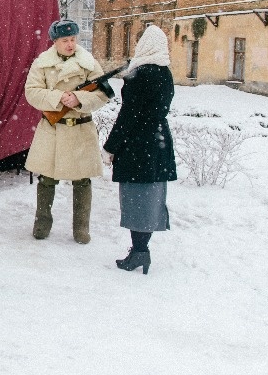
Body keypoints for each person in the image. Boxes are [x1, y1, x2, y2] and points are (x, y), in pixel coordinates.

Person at [24, 18, 110, 244]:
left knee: (82, 181)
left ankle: (81, 228)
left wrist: (79, 98)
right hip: (53, 129)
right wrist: (58, 97)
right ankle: (42, 223)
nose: (71, 44)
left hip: (80, 130)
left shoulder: (88, 63)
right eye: (65, 40)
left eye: (73, 39)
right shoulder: (42, 63)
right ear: (55, 42)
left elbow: (103, 94)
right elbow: (31, 92)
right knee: (47, 180)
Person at [103, 25, 176, 275]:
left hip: (138, 144)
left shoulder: (139, 74)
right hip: (158, 141)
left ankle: (139, 252)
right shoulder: (165, 73)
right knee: (151, 198)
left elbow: (128, 116)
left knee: (136, 199)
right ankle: (141, 250)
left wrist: (111, 146)